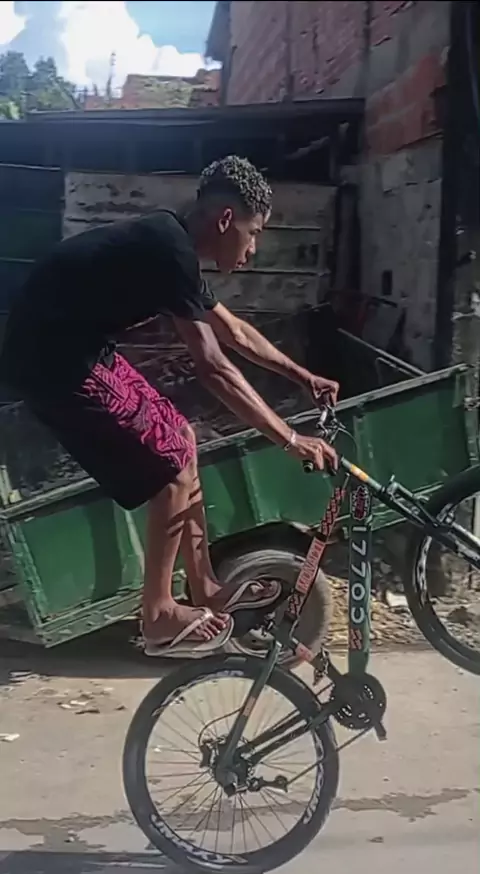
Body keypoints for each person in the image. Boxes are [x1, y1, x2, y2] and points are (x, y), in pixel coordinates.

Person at [0, 155, 338, 656]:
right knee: (173, 464)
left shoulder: (172, 247)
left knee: (182, 436)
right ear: (225, 219)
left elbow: (236, 331)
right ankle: (158, 614)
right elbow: (214, 366)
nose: (253, 249)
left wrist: (302, 377)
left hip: (79, 350)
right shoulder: (169, 249)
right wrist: (289, 439)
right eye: (253, 233)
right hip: (53, 361)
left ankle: (206, 587)